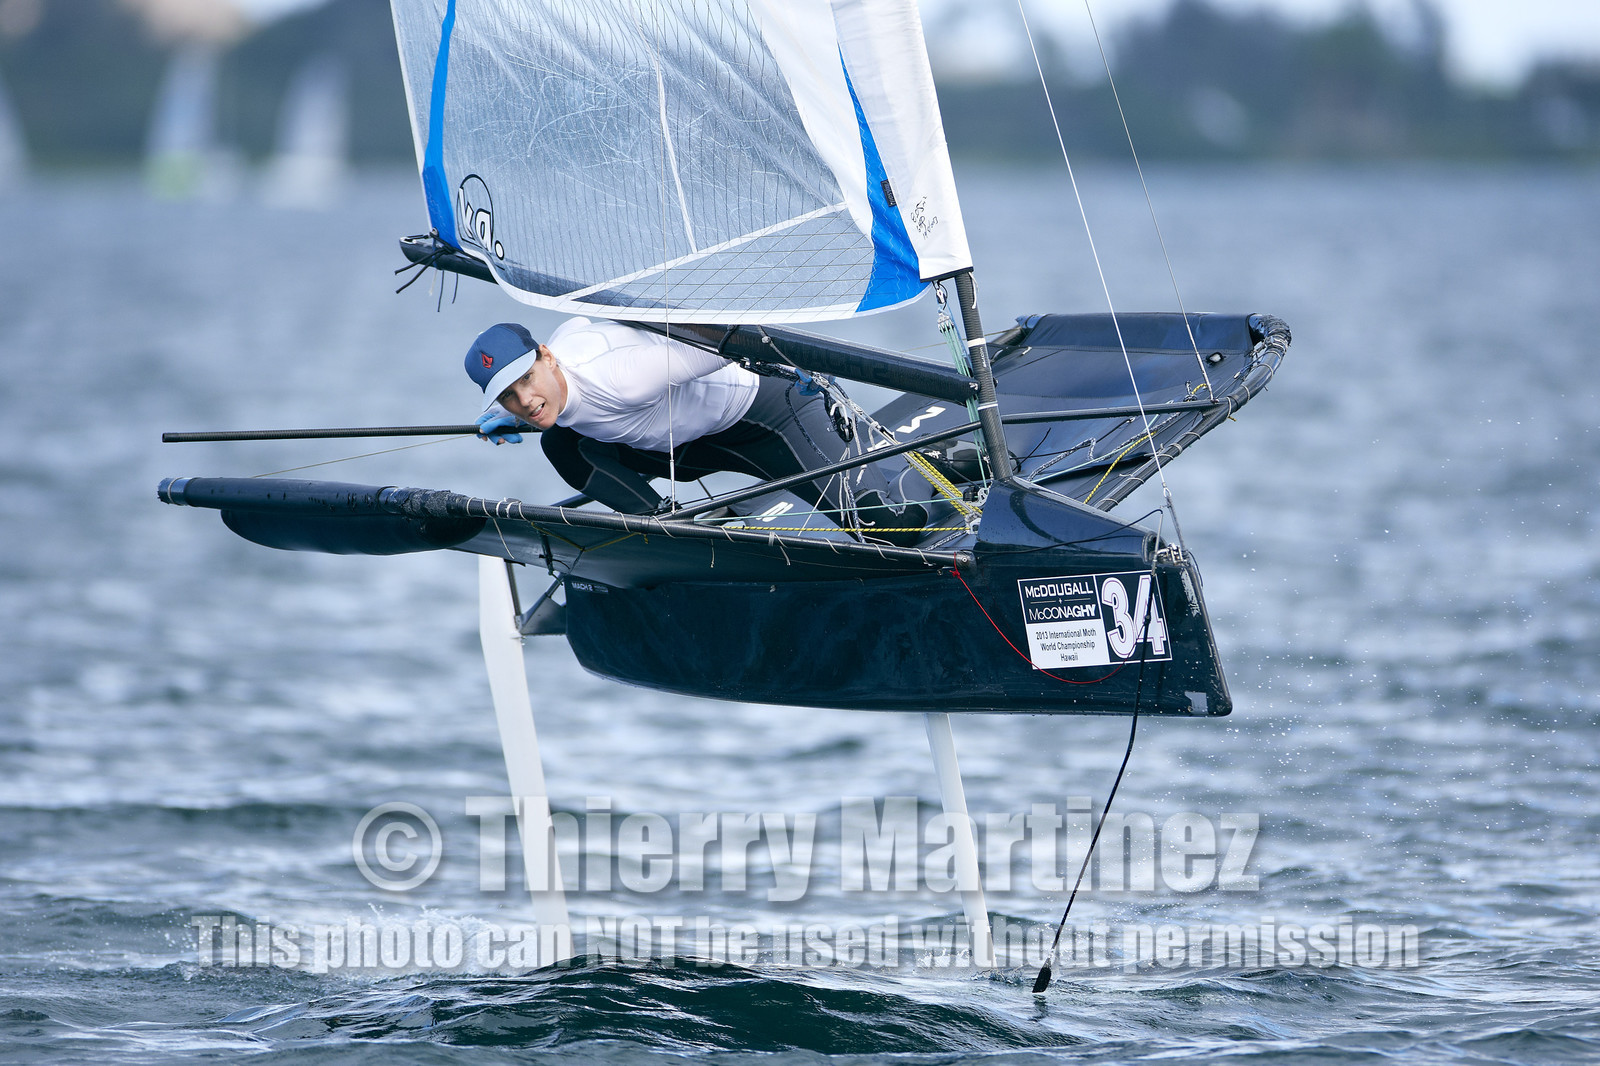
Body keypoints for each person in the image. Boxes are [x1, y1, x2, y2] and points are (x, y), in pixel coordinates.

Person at [464, 318, 930, 546]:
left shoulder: (626, 376)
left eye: (527, 380)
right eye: (507, 395)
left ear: (547, 355)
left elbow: (729, 340)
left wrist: (799, 365)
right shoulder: (544, 393)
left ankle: (935, 463)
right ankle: (667, 525)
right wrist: (528, 414)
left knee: (891, 531)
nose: (524, 400)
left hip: (770, 417)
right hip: (688, 446)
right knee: (561, 443)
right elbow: (565, 367)